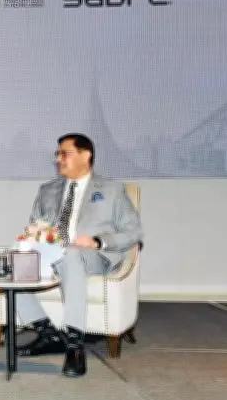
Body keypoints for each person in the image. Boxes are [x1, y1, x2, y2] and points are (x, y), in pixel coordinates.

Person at [16, 133, 143, 377]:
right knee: (17, 262)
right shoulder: (47, 190)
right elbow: (35, 224)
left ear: (86, 155)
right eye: (57, 154)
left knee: (72, 255)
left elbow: (133, 232)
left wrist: (97, 241)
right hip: (51, 254)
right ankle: (48, 334)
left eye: (65, 154)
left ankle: (74, 344)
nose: (58, 159)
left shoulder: (112, 190)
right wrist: (32, 237)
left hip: (92, 256)